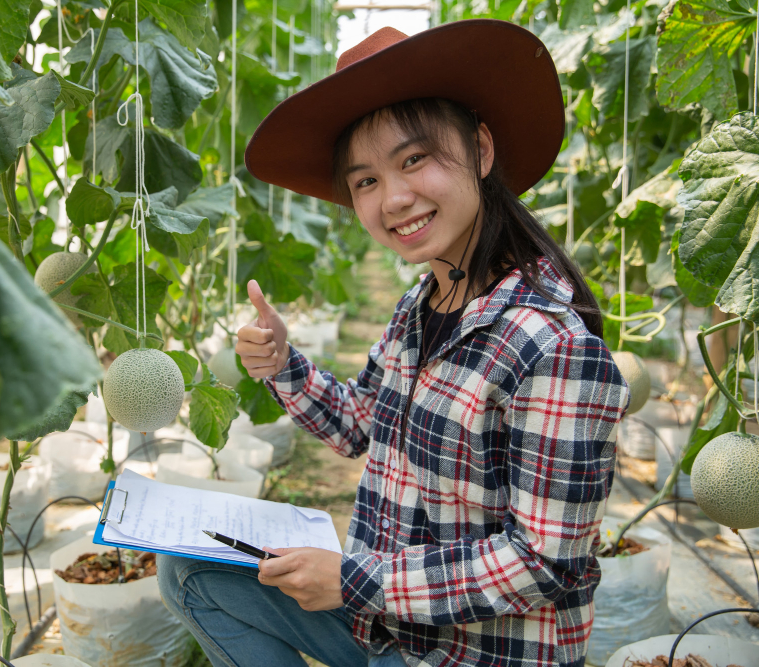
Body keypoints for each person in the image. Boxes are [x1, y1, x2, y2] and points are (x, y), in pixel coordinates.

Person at [157, 20, 629, 667]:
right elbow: (363, 423)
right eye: (366, 181)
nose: (394, 198)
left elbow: (544, 561)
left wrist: (356, 581)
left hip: (474, 653)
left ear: (480, 150)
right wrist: (283, 364)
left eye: (413, 160)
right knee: (187, 569)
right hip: (391, 628)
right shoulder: (421, 304)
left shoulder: (551, 345)